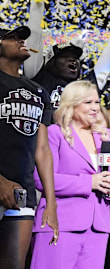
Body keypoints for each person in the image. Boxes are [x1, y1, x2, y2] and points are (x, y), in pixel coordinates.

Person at [29, 80, 110, 268]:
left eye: (97, 102)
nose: (95, 108)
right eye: (88, 102)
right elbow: (42, 178)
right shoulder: (54, 134)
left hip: (98, 227)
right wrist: (89, 182)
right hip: (59, 222)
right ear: (71, 104)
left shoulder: (106, 137)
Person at [0, 25, 58, 269]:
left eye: (21, 37)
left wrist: (51, 203)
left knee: (14, 265)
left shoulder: (39, 91)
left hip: (22, 193)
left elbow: (42, 150)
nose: (21, 41)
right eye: (12, 38)